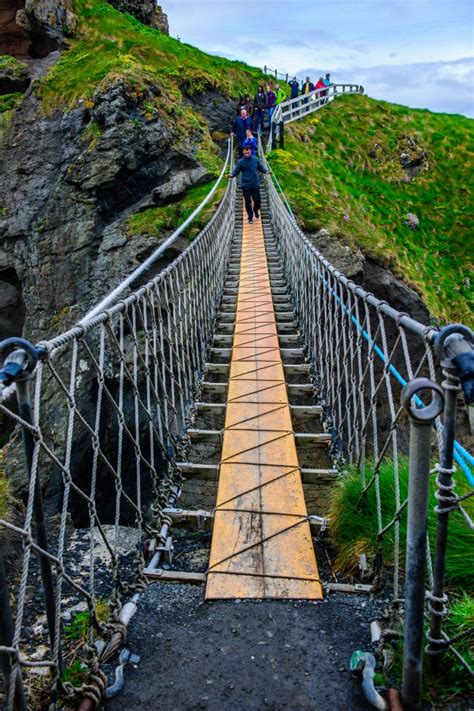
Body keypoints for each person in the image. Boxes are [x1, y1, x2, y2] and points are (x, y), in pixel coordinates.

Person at [228, 146, 270, 224]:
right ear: (243, 152)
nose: (247, 154)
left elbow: (260, 168)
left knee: (258, 201)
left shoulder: (255, 160)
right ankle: (250, 217)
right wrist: (231, 175)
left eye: (248, 152)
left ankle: (256, 210)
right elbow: (236, 171)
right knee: (248, 202)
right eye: (245, 153)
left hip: (255, 184)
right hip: (246, 185)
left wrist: (266, 172)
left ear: (250, 151)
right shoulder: (241, 162)